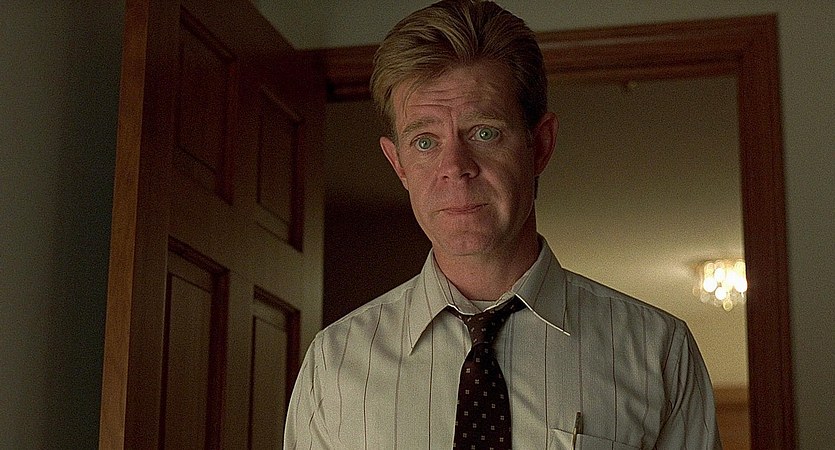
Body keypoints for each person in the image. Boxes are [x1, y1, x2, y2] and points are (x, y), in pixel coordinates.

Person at [284, 0, 721, 448]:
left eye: (484, 132)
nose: (455, 167)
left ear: (540, 145)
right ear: (398, 164)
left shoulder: (657, 351)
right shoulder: (334, 363)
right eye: (425, 142)